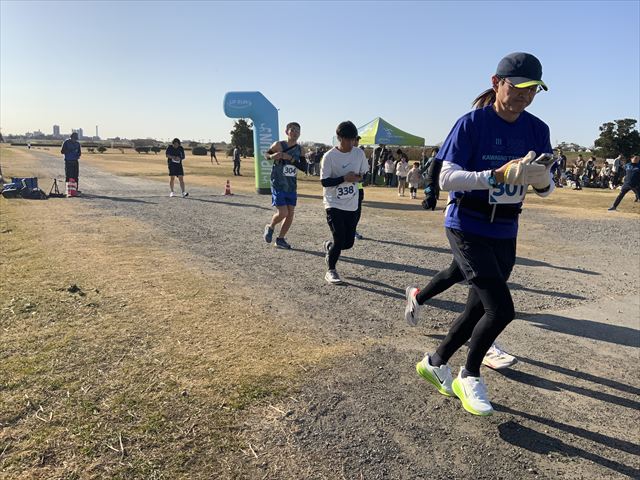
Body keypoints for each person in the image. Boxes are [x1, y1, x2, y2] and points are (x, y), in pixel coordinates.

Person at [411, 52, 554, 416]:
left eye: (532, 90)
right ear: (496, 83)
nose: (524, 95)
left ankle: (435, 362)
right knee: (501, 309)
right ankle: (469, 375)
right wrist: (495, 176)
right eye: (517, 87)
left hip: (506, 227)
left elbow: (546, 188)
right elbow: (446, 178)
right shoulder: (471, 123)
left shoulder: (538, 129)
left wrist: (542, 180)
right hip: (467, 224)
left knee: (478, 308)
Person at [321, 121, 369, 284]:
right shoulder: (329, 156)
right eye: (347, 139)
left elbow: (365, 174)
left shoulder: (359, 154)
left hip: (352, 203)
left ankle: (330, 248)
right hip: (333, 202)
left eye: (353, 139)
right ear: (339, 138)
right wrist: (344, 178)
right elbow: (324, 182)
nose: (351, 143)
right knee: (339, 237)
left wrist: (359, 178)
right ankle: (331, 270)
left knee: (348, 243)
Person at [262, 122, 306, 249]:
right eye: (293, 130)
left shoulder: (300, 149)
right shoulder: (278, 145)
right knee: (283, 212)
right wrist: (272, 156)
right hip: (278, 183)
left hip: (291, 185)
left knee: (290, 213)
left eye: (298, 130)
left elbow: (304, 167)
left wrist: (290, 159)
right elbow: (266, 155)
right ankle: (270, 226)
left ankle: (280, 239)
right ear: (287, 132)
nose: (295, 132)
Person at [353, 136, 365, 240]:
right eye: (355, 140)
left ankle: (353, 229)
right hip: (347, 188)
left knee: (358, 210)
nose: (356, 142)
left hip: (358, 187)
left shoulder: (360, 154)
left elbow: (364, 171)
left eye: (357, 140)